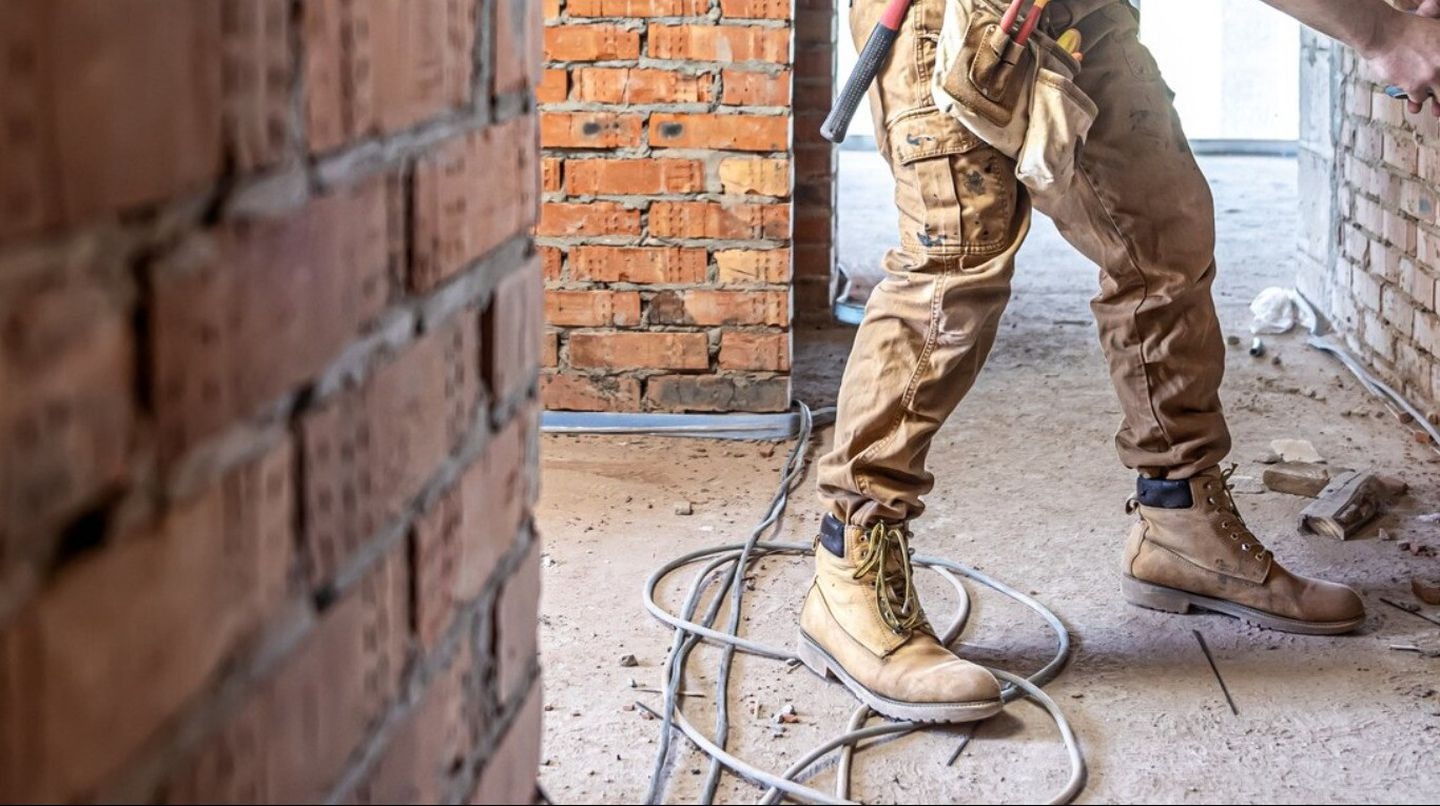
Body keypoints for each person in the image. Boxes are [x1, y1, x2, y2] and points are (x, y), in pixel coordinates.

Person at [797, 0, 1440, 724]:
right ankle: (850, 557)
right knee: (955, 268)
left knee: (1162, 236)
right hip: (946, 14)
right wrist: (1386, 34)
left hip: (1080, 10)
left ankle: (1181, 524)